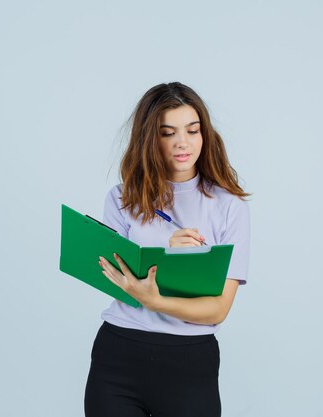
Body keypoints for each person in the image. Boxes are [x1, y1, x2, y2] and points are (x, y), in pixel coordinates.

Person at [84, 82, 251, 417]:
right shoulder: (122, 198)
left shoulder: (229, 207)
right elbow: (113, 276)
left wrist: (155, 300)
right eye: (167, 132)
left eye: (192, 130)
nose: (182, 143)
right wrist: (166, 248)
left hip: (189, 362)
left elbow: (218, 310)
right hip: (118, 354)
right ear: (150, 138)